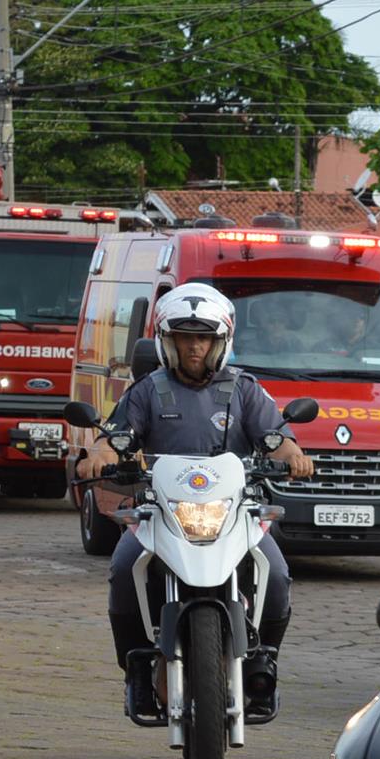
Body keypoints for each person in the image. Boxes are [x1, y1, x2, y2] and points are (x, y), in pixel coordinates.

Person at [81, 282, 315, 724]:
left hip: (234, 512)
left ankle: (263, 665)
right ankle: (137, 670)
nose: (194, 347)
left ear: (220, 341)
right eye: (184, 337)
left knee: (277, 575)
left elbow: (277, 438)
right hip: (161, 511)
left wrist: (294, 457)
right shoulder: (148, 390)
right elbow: (114, 438)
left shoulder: (245, 389)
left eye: (204, 338)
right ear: (166, 342)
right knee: (124, 569)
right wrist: (99, 454)